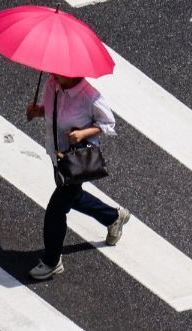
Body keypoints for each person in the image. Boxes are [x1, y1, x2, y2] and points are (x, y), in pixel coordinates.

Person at [25, 73, 130, 280]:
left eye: (59, 71)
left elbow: (108, 123)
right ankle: (113, 217)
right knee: (74, 197)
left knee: (56, 210)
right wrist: (39, 112)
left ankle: (52, 261)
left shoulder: (89, 96)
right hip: (57, 154)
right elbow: (55, 113)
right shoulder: (52, 85)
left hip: (77, 159)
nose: (54, 74)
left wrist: (83, 134)